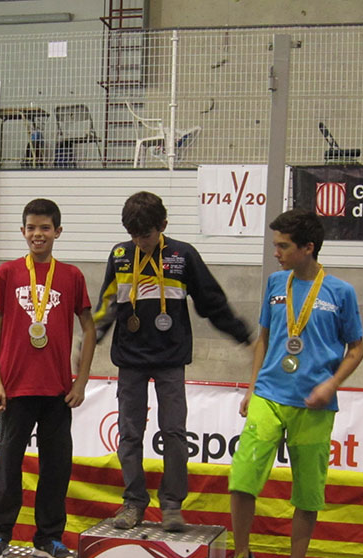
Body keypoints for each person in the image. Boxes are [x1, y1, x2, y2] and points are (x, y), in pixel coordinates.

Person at [220, 209, 363, 558]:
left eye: (283, 246)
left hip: (314, 406)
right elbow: (264, 340)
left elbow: (357, 350)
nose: (277, 253)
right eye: (275, 245)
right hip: (269, 395)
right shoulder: (274, 284)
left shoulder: (341, 293)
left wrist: (331, 384)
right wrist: (252, 388)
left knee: (307, 494)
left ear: (308, 248)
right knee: (242, 478)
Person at [94, 191, 252, 532]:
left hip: (170, 359)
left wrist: (241, 333)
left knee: (174, 432)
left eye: (147, 235)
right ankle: (133, 502)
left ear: (163, 225)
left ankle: (171, 505)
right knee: (129, 433)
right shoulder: (120, 255)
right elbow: (107, 304)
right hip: (130, 360)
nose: (141, 242)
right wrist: (91, 337)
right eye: (134, 235)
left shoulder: (183, 255)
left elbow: (211, 301)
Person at [0, 198, 96, 558]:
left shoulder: (72, 276)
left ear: (57, 231)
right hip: (15, 388)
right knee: (8, 464)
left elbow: (90, 328)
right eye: (31, 227)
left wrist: (81, 382)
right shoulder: (8, 272)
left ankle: (49, 537)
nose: (38, 234)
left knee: (56, 467)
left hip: (58, 392)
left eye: (45, 227)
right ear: (22, 231)